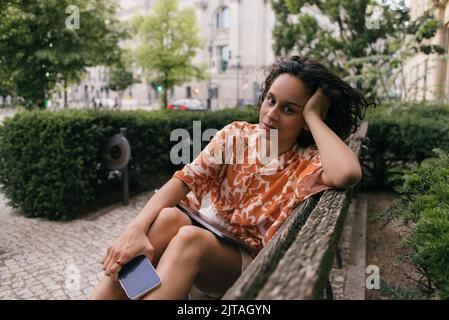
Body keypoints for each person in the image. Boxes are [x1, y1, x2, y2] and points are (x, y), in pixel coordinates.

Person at [90, 56, 373, 300]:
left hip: (249, 262)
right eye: (270, 100)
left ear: (307, 121)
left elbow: (348, 173)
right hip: (213, 235)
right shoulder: (236, 135)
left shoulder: (307, 161)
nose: (271, 114)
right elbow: (183, 180)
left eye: (289, 109)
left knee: (190, 238)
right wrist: (134, 230)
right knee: (167, 218)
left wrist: (313, 115)